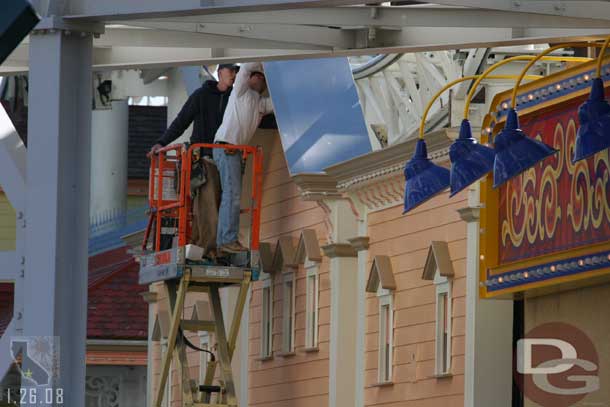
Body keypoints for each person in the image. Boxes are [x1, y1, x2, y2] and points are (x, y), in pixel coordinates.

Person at [148, 63, 239, 258]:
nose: (234, 74)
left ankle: (204, 247)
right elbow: (181, 121)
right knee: (208, 206)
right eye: (230, 70)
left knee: (222, 205)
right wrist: (161, 142)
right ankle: (209, 250)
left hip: (227, 159)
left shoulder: (236, 98)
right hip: (205, 160)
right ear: (220, 72)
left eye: (237, 71)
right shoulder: (201, 96)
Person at [214, 62, 273, 254]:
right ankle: (227, 240)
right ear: (249, 78)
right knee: (232, 195)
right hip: (227, 147)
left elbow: (280, 102)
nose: (260, 79)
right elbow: (247, 66)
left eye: (263, 78)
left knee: (232, 195)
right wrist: (265, 61)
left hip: (232, 149)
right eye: (258, 75)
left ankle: (226, 240)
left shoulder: (260, 103)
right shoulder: (240, 91)